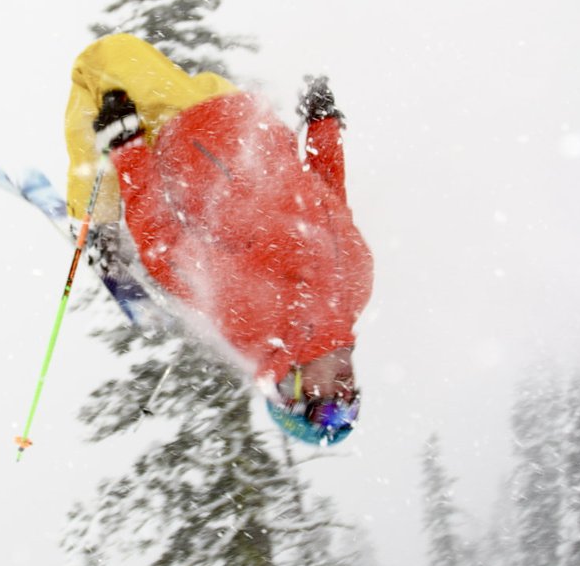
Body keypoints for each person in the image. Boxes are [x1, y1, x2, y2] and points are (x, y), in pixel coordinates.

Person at [64, 33, 373, 444]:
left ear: (290, 393)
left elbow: (166, 249)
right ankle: (97, 209)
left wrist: (129, 148)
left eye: (332, 406)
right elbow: (328, 195)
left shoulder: (260, 328)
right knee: (107, 67)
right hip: (245, 118)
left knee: (99, 62)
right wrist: (323, 125)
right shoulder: (355, 291)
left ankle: (93, 218)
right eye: (352, 403)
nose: (346, 393)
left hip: (182, 130)